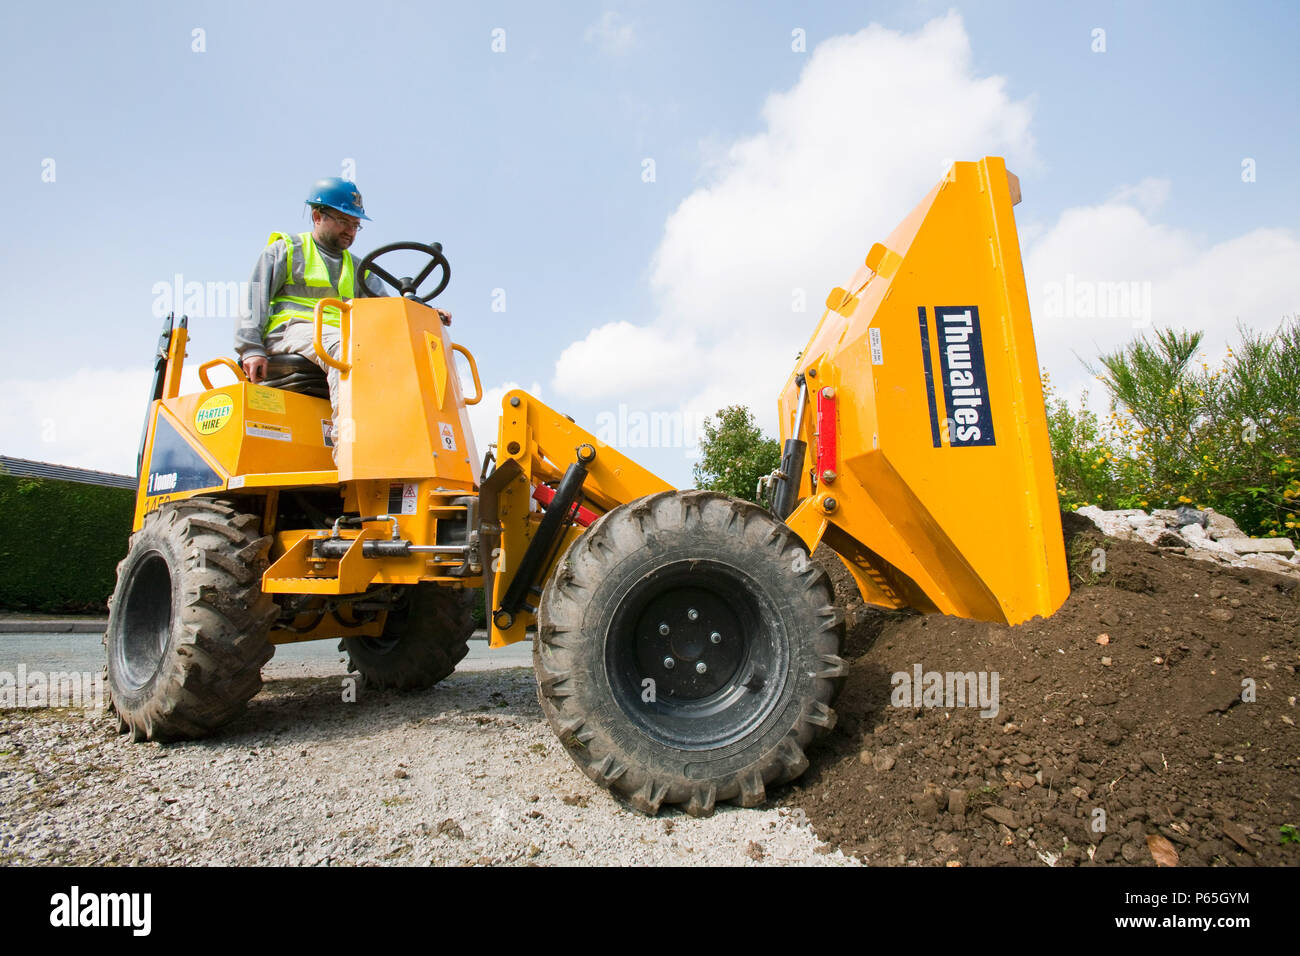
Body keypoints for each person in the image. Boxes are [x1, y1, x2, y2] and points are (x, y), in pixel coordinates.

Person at [236, 178, 383, 454]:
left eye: (356, 225)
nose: (351, 231)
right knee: (348, 349)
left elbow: (388, 307)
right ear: (317, 216)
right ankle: (351, 453)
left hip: (336, 339)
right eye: (343, 221)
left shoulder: (360, 267)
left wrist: (425, 311)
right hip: (291, 332)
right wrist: (251, 348)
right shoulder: (286, 250)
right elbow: (254, 300)